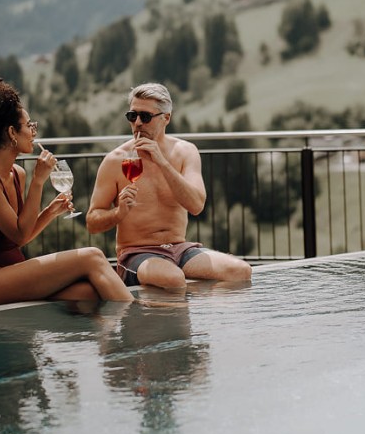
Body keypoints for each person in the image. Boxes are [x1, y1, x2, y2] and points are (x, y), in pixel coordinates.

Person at [0, 76, 133, 308]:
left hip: (13, 272)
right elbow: (19, 236)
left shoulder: (17, 173)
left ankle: (109, 341)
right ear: (12, 132)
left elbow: (20, 235)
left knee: (88, 293)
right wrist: (38, 181)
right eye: (29, 126)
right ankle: (137, 321)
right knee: (92, 256)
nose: (33, 132)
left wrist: (49, 212)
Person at [86, 82, 252, 291]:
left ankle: (195, 317)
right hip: (136, 253)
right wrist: (119, 213)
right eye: (132, 116)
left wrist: (162, 162)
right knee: (172, 279)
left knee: (240, 271)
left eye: (145, 117)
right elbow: (92, 221)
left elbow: (196, 205)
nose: (137, 123)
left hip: (180, 250)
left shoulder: (185, 152)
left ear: (166, 118)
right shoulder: (115, 161)